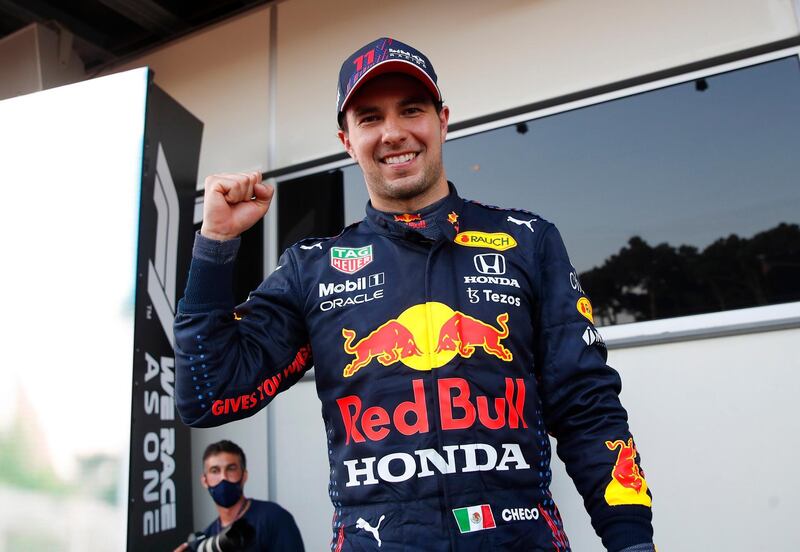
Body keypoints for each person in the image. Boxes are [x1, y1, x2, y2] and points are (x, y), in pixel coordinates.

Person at [174, 37, 656, 552]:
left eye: (411, 110)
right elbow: (208, 395)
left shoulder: (527, 240)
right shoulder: (311, 268)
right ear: (346, 140)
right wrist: (216, 246)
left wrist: (631, 542)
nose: (394, 132)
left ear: (442, 120)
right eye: (370, 118)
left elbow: (587, 406)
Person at [173, 440, 304, 552]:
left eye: (231, 468)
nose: (223, 477)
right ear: (205, 481)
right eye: (215, 471)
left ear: (244, 476)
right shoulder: (207, 538)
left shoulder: (274, 517)